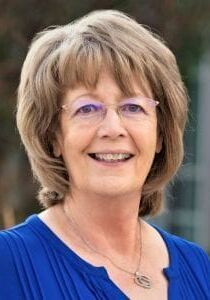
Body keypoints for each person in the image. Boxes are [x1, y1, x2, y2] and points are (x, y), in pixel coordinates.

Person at [0, 9, 209, 300]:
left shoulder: (199, 268)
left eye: (133, 107)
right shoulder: (7, 265)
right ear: (53, 136)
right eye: (86, 109)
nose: (113, 128)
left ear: (160, 134)